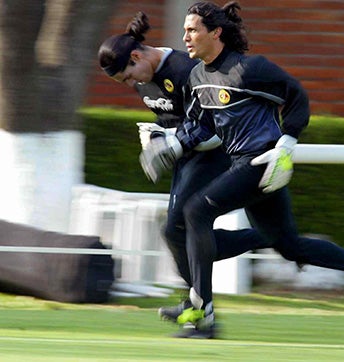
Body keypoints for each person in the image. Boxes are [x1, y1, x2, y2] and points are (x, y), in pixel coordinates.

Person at [138, 1, 344, 339]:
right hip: (243, 165)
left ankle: (201, 306)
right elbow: (203, 127)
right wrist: (171, 144)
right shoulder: (198, 76)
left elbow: (296, 95)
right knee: (289, 246)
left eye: (192, 30)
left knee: (195, 212)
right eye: (185, 31)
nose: (184, 37)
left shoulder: (250, 69)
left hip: (262, 161)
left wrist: (287, 143)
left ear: (215, 33)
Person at [97, 11, 272, 334]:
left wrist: (173, 145)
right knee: (177, 234)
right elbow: (173, 123)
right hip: (189, 158)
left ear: (136, 55)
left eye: (128, 75)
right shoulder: (143, 79)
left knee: (179, 228)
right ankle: (204, 299)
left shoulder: (184, 70)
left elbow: (216, 127)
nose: (131, 83)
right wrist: (154, 138)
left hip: (217, 154)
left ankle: (202, 309)